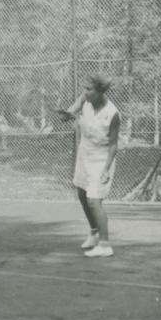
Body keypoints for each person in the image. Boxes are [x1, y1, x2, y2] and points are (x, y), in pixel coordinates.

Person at [62, 75, 120, 257]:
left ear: (100, 91)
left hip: (102, 158)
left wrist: (106, 169)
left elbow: (113, 145)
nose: (85, 92)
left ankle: (105, 245)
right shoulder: (85, 100)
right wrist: (68, 113)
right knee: (81, 194)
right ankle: (94, 233)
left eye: (89, 89)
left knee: (94, 200)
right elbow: (73, 109)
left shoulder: (113, 114)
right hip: (84, 154)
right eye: (84, 88)